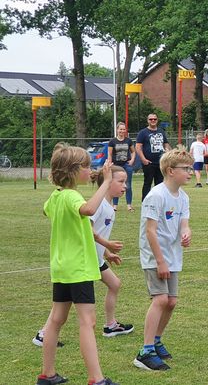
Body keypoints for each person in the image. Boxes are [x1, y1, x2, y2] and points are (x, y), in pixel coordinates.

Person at [37, 144, 119, 385]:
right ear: (73, 171)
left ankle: (47, 374)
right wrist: (106, 181)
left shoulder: (56, 196)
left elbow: (48, 212)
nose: (90, 170)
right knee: (88, 322)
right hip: (78, 269)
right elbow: (89, 209)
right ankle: (96, 379)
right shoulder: (73, 196)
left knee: (56, 319)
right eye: (86, 166)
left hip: (62, 268)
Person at [133, 147, 193, 371]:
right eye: (185, 168)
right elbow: (150, 231)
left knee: (171, 301)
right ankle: (145, 351)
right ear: (169, 171)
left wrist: (187, 233)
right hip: (155, 256)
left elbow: (184, 223)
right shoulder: (155, 195)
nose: (190, 172)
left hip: (172, 255)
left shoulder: (184, 196)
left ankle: (156, 340)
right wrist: (159, 261)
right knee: (159, 300)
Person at [135, 113, 171, 200]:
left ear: (157, 120)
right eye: (151, 119)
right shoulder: (143, 133)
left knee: (160, 183)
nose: (153, 121)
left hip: (161, 162)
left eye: (155, 119)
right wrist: (143, 159)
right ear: (148, 121)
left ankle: (159, 200)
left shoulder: (161, 131)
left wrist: (168, 152)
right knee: (148, 182)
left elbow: (166, 144)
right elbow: (138, 147)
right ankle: (145, 201)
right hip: (149, 162)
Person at [108, 122, 136, 211]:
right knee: (116, 184)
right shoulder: (112, 141)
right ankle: (115, 205)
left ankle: (129, 205)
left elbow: (133, 152)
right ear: (117, 130)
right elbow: (109, 154)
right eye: (120, 129)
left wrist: (132, 160)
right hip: (116, 165)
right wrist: (110, 163)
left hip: (126, 165)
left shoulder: (128, 141)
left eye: (124, 129)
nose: (122, 131)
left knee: (128, 185)